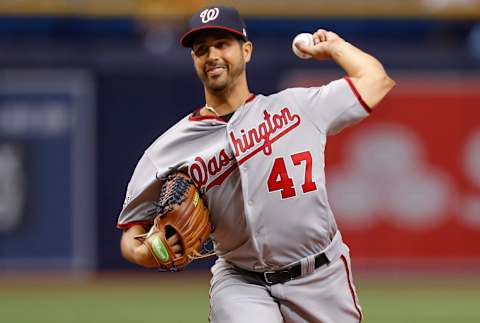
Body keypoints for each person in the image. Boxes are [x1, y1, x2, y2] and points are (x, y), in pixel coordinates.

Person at [118, 5, 395, 323]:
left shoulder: (298, 107)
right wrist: (141, 252)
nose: (212, 55)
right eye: (201, 49)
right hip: (240, 280)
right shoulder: (168, 149)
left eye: (222, 44)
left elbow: (376, 81)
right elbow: (131, 229)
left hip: (321, 275)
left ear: (246, 51)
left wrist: (335, 46)